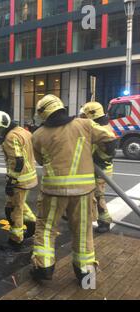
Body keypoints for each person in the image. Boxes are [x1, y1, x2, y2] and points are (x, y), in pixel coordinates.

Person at [31, 95, 117, 284]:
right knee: (83, 231)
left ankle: (43, 268)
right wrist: (100, 158)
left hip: (52, 192)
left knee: (46, 229)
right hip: (83, 191)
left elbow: (40, 161)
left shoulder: (37, 135)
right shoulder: (84, 125)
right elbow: (110, 140)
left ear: (44, 114)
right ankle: (86, 275)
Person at [0, 111, 38, 251]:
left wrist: (12, 181)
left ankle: (16, 241)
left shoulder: (10, 137)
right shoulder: (23, 131)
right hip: (30, 176)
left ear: (4, 125)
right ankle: (33, 224)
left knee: (13, 210)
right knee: (19, 205)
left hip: (20, 180)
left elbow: (18, 161)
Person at [80, 101, 114, 233]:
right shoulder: (104, 126)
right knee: (98, 195)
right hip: (103, 168)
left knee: (99, 196)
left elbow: (101, 149)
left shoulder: (100, 129)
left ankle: (104, 221)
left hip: (100, 169)